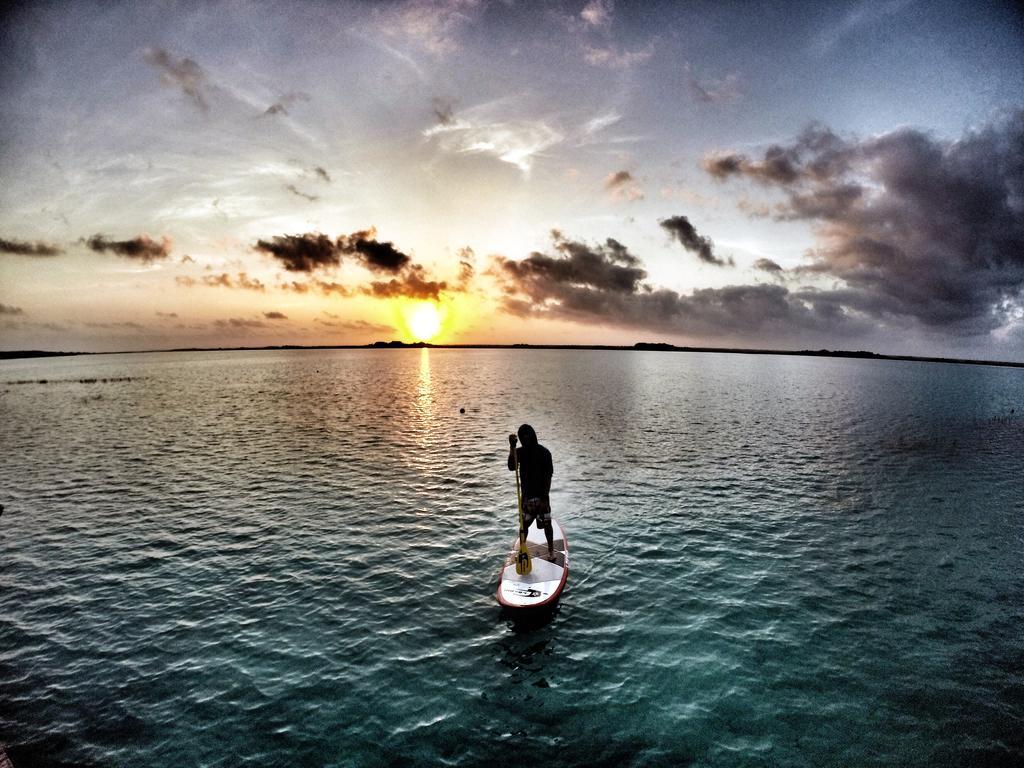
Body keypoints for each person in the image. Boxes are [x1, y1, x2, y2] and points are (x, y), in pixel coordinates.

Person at [507, 424, 555, 560]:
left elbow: (549, 475)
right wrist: (512, 447)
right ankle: (522, 549)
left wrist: (545, 496)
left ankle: (551, 551)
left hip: (542, 497)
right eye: (523, 437)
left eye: (528, 436)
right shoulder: (520, 452)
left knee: (547, 525)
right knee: (523, 526)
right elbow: (511, 466)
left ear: (533, 436)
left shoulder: (544, 453)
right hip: (527, 498)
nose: (525, 439)